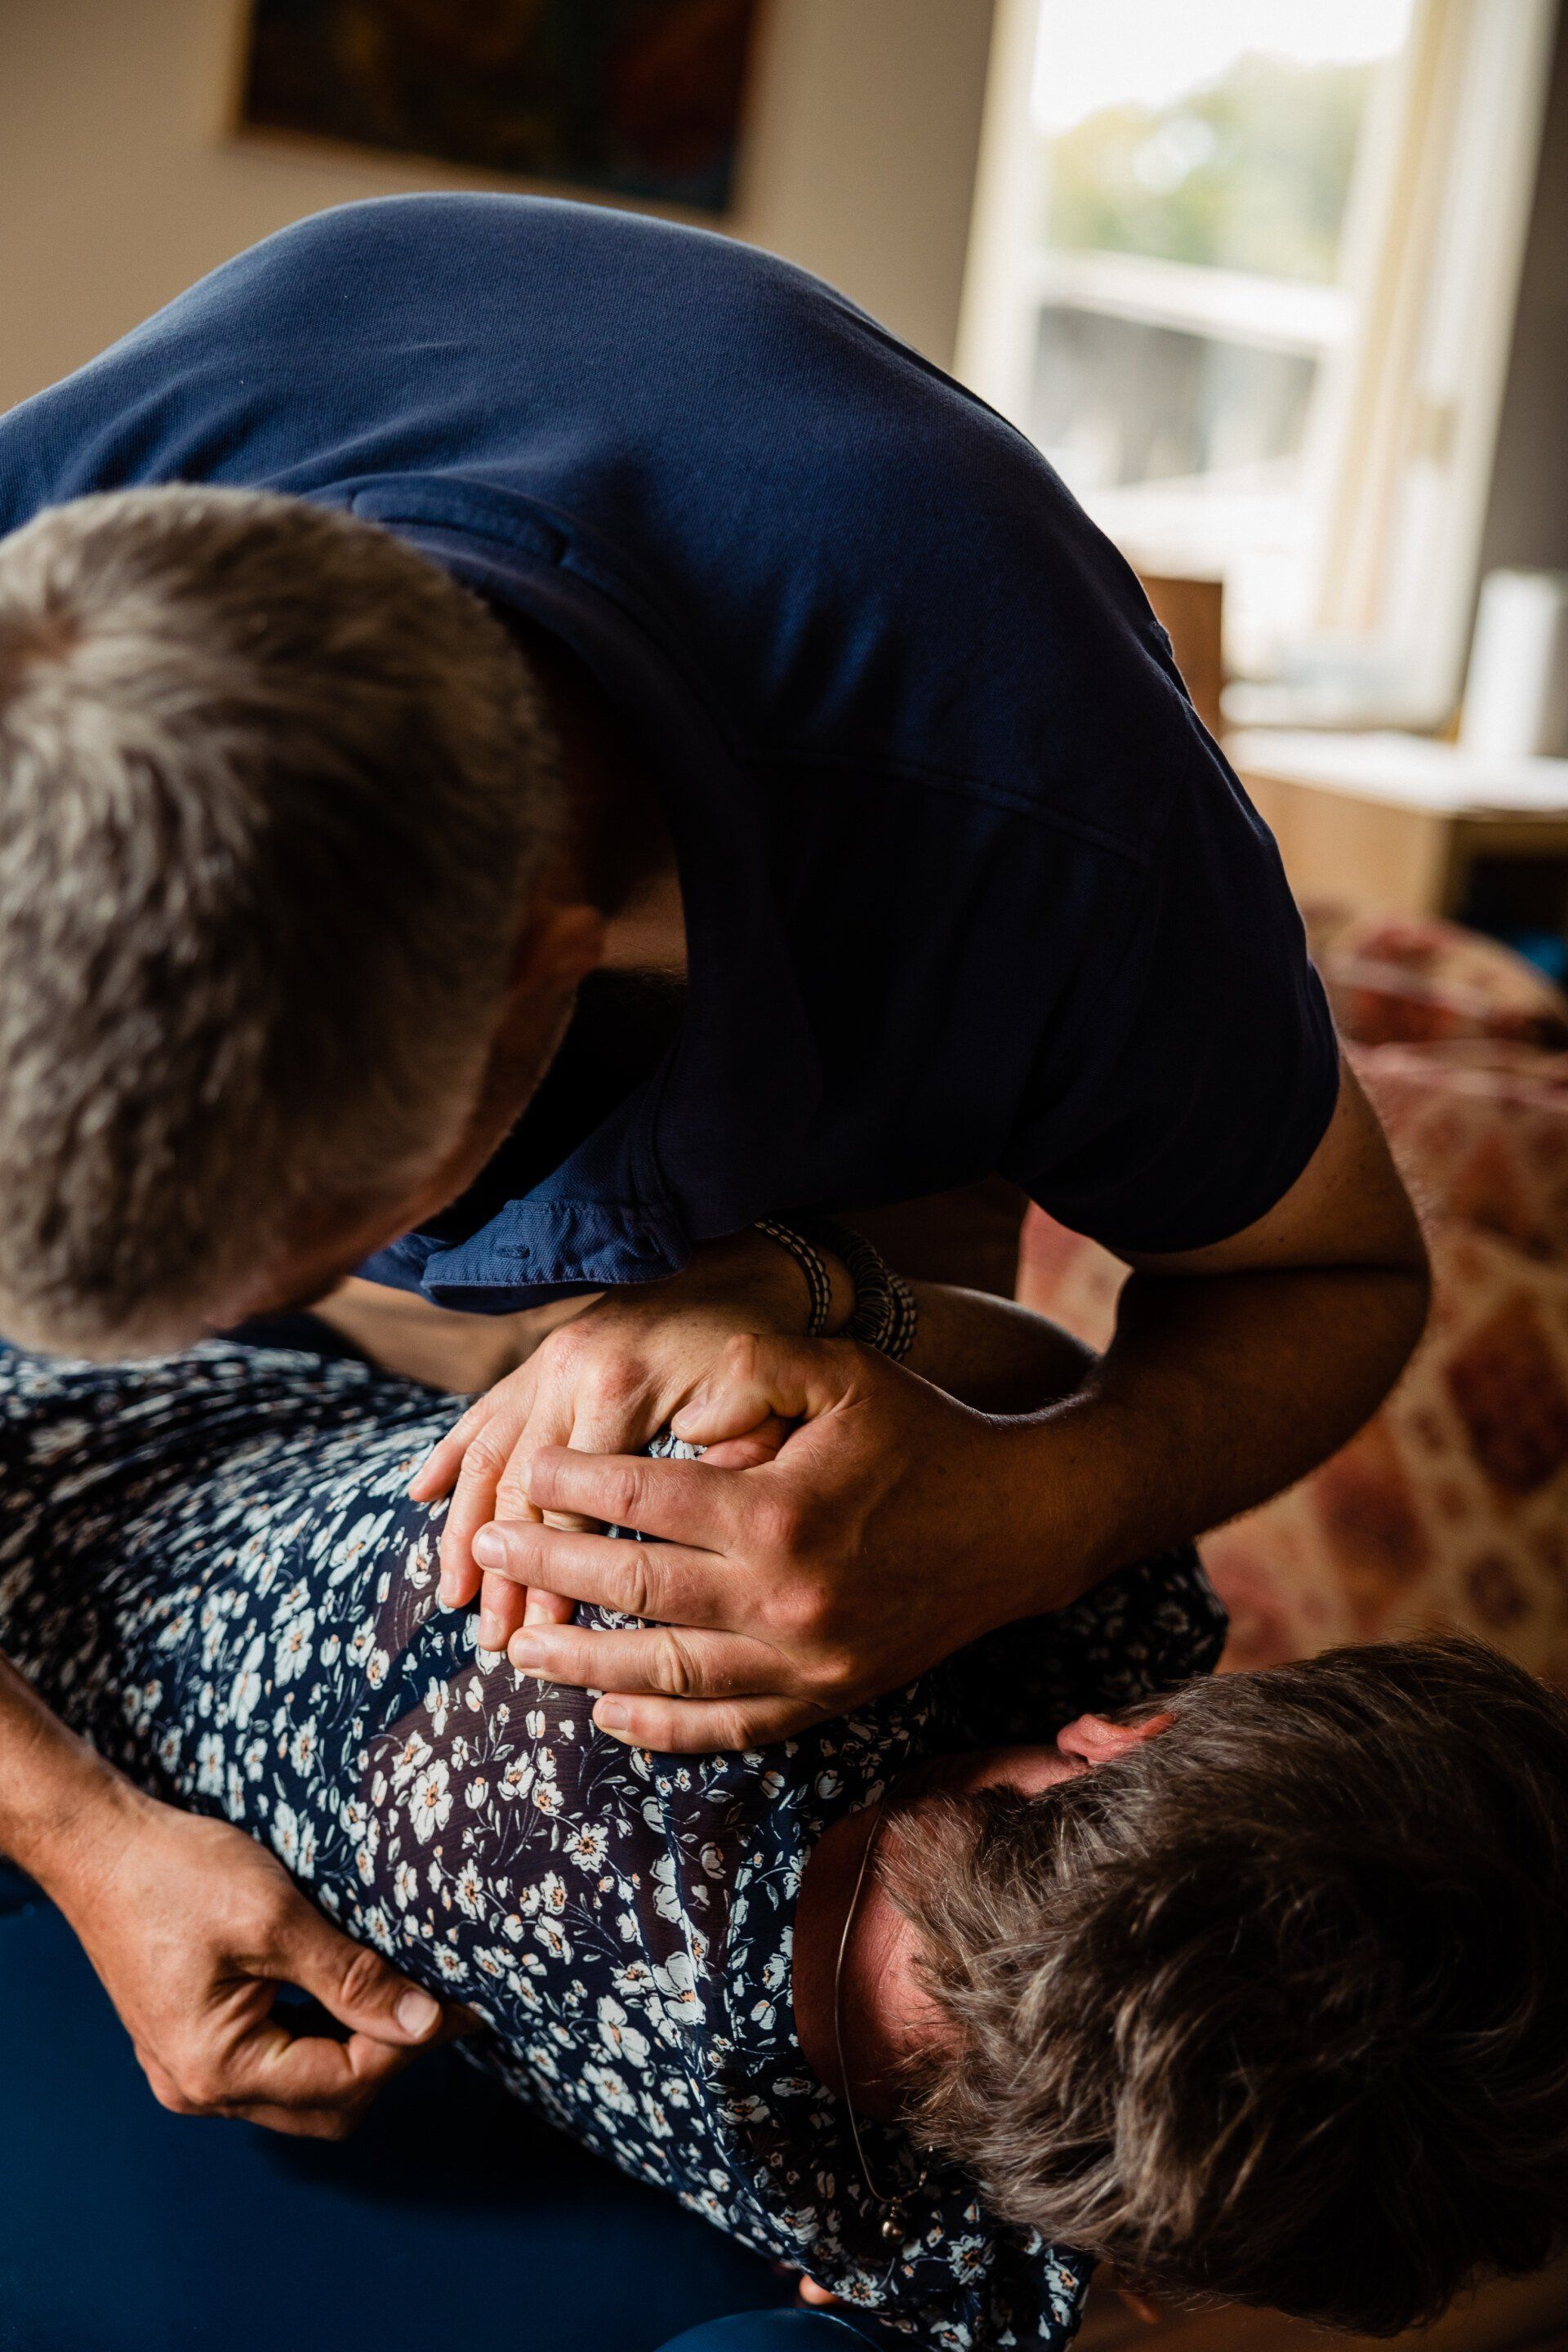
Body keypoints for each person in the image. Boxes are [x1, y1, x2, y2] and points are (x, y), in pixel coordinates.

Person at [0, 193, 1428, 2135]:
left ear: (541, 977)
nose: (234, 1344)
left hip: (862, 990)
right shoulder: (40, 599)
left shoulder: (1034, 822)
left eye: (295, 1256)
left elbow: (1332, 1276)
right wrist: (74, 1827)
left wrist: (1032, 1503)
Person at [0, 1334, 1563, 2352]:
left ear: (1130, 1738)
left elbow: (1029, 1386)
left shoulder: (719, 1559)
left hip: (97, 1443)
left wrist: (819, 1304)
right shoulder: (945, 2253)